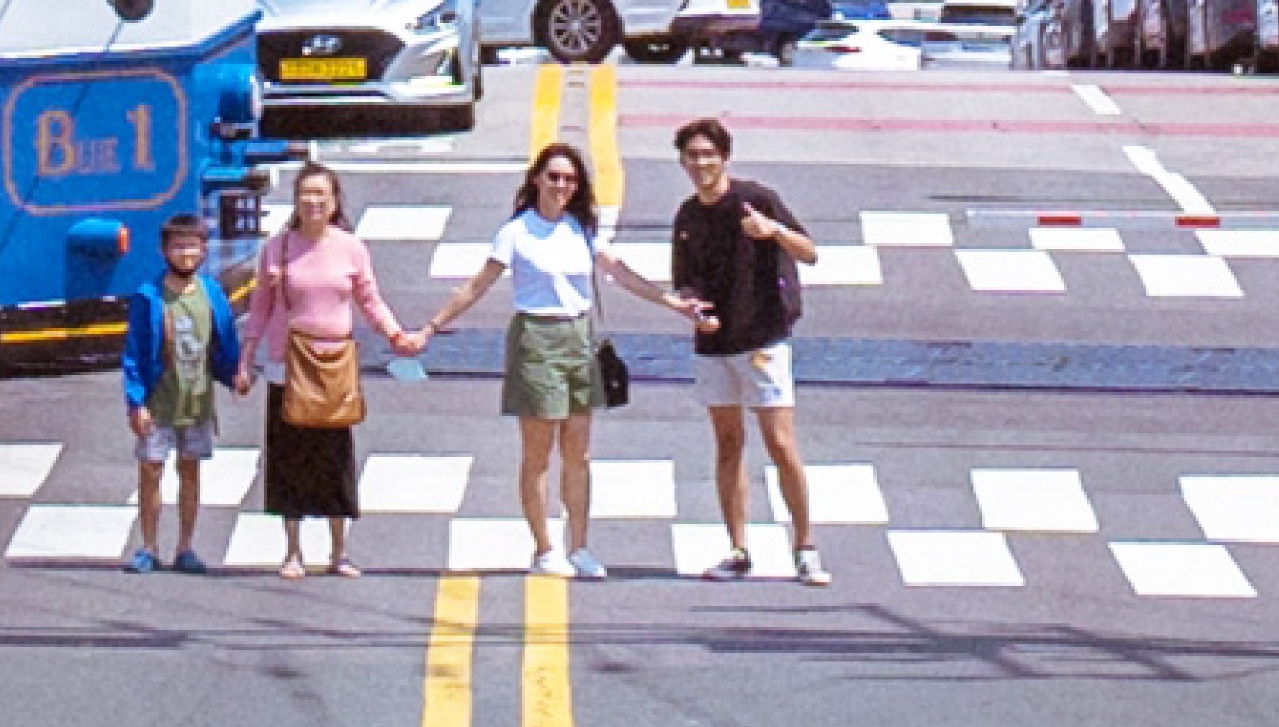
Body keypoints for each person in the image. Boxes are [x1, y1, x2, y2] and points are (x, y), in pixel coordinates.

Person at [417, 141, 704, 580]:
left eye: (569, 179)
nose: (561, 186)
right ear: (536, 180)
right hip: (536, 338)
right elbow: (476, 285)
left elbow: (621, 273)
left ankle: (580, 546)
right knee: (538, 453)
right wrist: (431, 327)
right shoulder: (517, 231)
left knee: (579, 451)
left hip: (579, 337)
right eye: (553, 177)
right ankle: (544, 547)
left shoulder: (581, 230)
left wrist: (673, 304)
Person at [235, 162, 425, 579]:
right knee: (289, 456)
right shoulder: (278, 248)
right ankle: (293, 551)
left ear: (335, 202)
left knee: (335, 456)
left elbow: (370, 300)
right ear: (296, 200)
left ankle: (339, 551)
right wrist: (245, 360)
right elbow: (261, 308)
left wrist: (397, 335)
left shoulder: (351, 248)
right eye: (306, 194)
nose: (313, 202)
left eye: (322, 195)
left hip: (335, 365)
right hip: (288, 365)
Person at [667, 117, 832, 586]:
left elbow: (809, 251)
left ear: (724, 157)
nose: (701, 163)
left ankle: (805, 546)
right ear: (682, 161)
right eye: (692, 156)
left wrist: (771, 230)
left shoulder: (755, 199)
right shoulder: (687, 215)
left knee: (780, 443)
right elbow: (684, 281)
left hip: (763, 337)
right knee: (728, 443)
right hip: (713, 342)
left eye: (708, 155)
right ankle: (738, 548)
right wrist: (693, 308)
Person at [121, 213, 240, 575]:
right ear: (164, 251)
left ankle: (185, 546)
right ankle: (149, 546)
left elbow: (226, 340)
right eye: (178, 246)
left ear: (204, 249)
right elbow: (134, 352)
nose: (186, 253)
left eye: (193, 245)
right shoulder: (149, 296)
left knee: (190, 471)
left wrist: (235, 375)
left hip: (197, 399)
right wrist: (135, 401)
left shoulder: (211, 292)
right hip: (160, 400)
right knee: (151, 470)